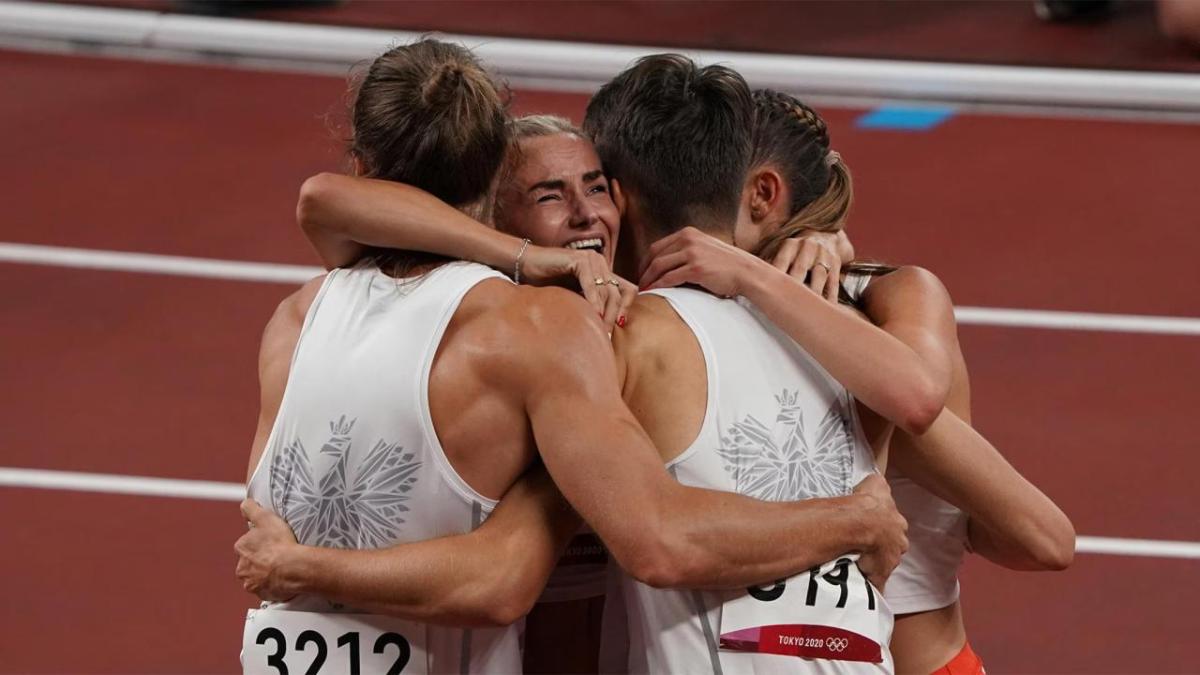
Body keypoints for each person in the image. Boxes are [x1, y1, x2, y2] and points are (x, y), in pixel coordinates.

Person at [238, 40, 909, 675]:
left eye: (599, 188)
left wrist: (817, 234)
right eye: (550, 194)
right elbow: (565, 562)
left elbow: (323, 200)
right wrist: (856, 519)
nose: (587, 216)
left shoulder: (293, 321)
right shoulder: (545, 333)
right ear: (492, 196)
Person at [636, 89, 1076, 674]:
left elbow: (1042, 538)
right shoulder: (715, 315)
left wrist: (764, 279)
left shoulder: (884, 313)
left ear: (764, 194)